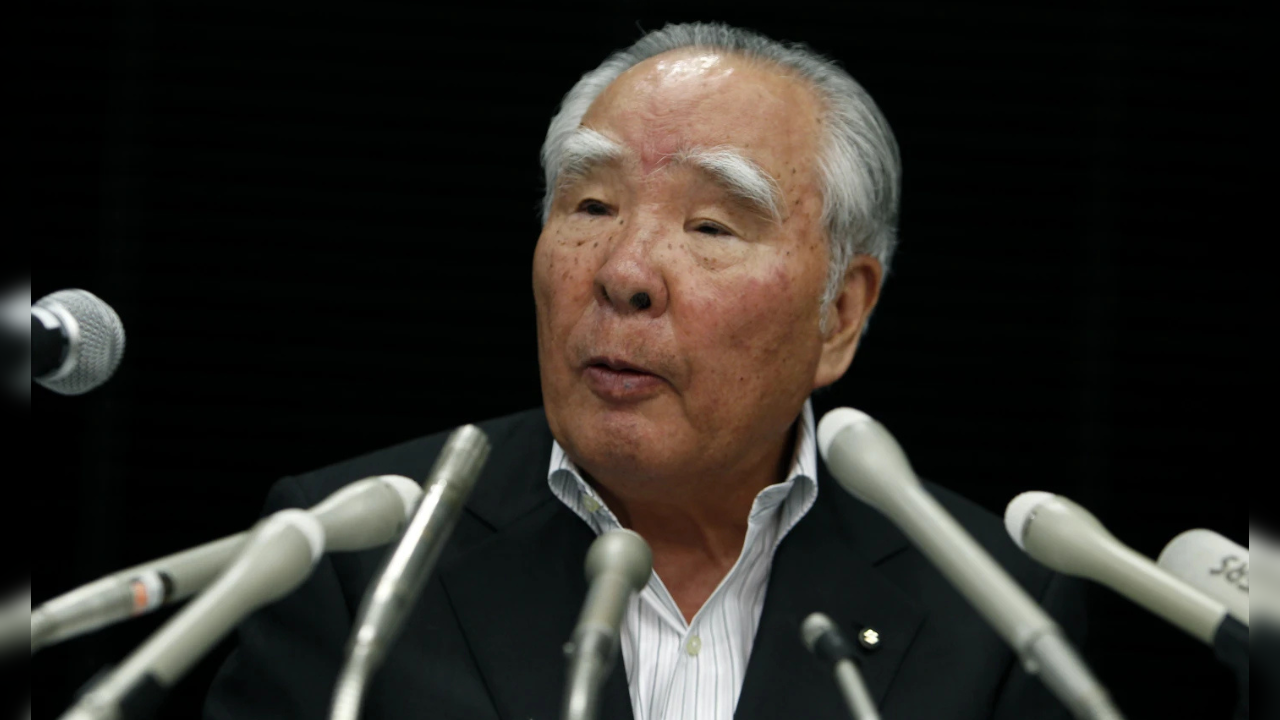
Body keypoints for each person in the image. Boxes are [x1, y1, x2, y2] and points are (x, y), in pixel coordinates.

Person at [205, 22, 1086, 719]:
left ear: (842, 313)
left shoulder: (995, 610)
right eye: (591, 205)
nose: (623, 271)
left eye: (711, 227)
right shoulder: (352, 554)